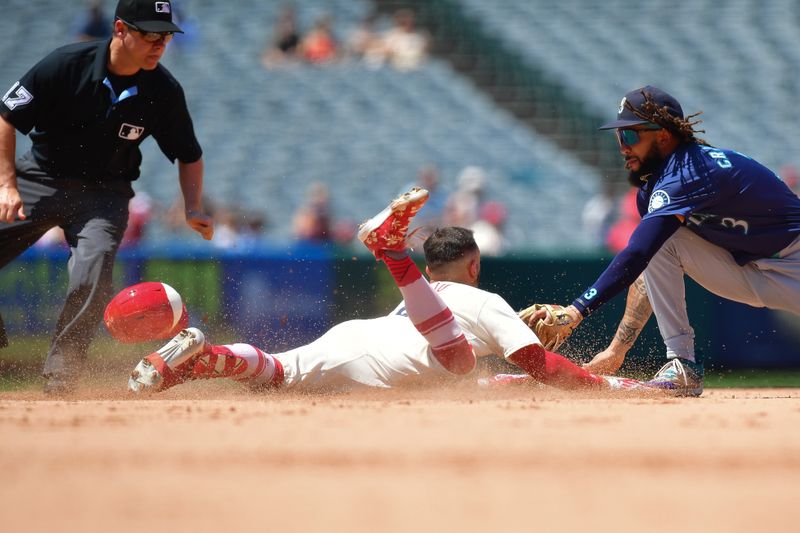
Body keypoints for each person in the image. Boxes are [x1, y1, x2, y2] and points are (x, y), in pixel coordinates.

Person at [128, 189, 654, 395]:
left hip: (359, 336)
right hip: (413, 355)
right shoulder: (488, 302)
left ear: (435, 267)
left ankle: (199, 357)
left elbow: (511, 382)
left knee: (274, 371)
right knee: (462, 362)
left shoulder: (422, 302)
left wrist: (518, 371)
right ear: (474, 265)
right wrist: (618, 386)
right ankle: (392, 252)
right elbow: (545, 368)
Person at [522, 86, 800, 396]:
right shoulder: (658, 188)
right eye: (619, 137)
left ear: (664, 136)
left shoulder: (691, 170)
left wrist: (576, 310)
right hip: (751, 270)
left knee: (654, 241)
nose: (623, 147)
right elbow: (649, 260)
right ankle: (683, 364)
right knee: (665, 242)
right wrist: (617, 350)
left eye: (629, 136)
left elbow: (637, 252)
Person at [0, 0, 214, 394]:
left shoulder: (163, 90)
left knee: (92, 276)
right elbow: (7, 117)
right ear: (120, 29)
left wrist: (193, 207)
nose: (159, 45)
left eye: (166, 36)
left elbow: (189, 153)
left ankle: (61, 379)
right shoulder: (66, 64)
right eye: (150, 34)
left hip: (104, 195)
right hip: (40, 179)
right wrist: (7, 184)